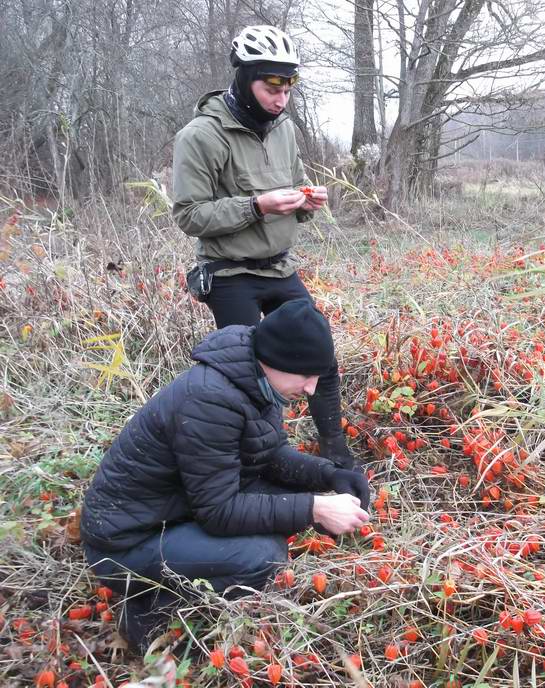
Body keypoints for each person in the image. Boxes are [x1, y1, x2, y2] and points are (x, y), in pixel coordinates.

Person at [80, 299, 370, 653]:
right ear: (278, 359)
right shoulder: (210, 399)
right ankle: (149, 606)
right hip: (126, 542)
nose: (311, 389)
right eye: (306, 375)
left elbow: (271, 455)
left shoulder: (255, 379)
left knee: (276, 505)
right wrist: (315, 509)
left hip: (173, 511)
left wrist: (331, 475)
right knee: (262, 555)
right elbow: (219, 511)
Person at [171, 25, 357, 472]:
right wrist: (256, 206)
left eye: (288, 86)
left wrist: (306, 201)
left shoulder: (284, 130)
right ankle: (261, 459)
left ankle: (334, 447)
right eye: (271, 85)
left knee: (320, 352)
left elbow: (290, 193)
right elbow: (189, 215)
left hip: (279, 268)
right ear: (244, 78)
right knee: (252, 372)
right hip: (230, 272)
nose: (281, 97)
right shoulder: (200, 136)